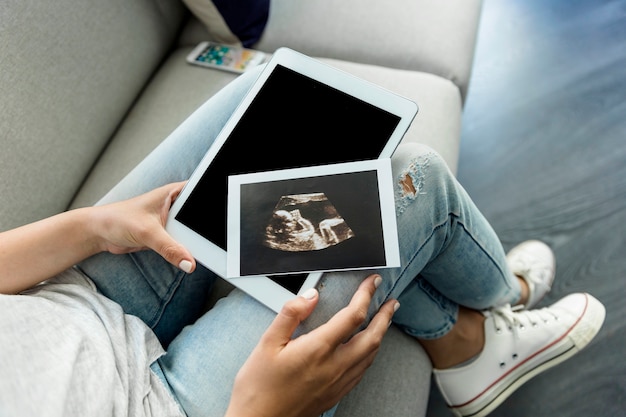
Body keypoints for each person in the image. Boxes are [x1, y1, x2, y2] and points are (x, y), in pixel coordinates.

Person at [0, 66, 605, 417]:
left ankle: (466, 343)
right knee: (408, 186)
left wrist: (88, 227)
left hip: (73, 289)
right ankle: (500, 306)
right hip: (160, 405)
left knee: (269, 96)